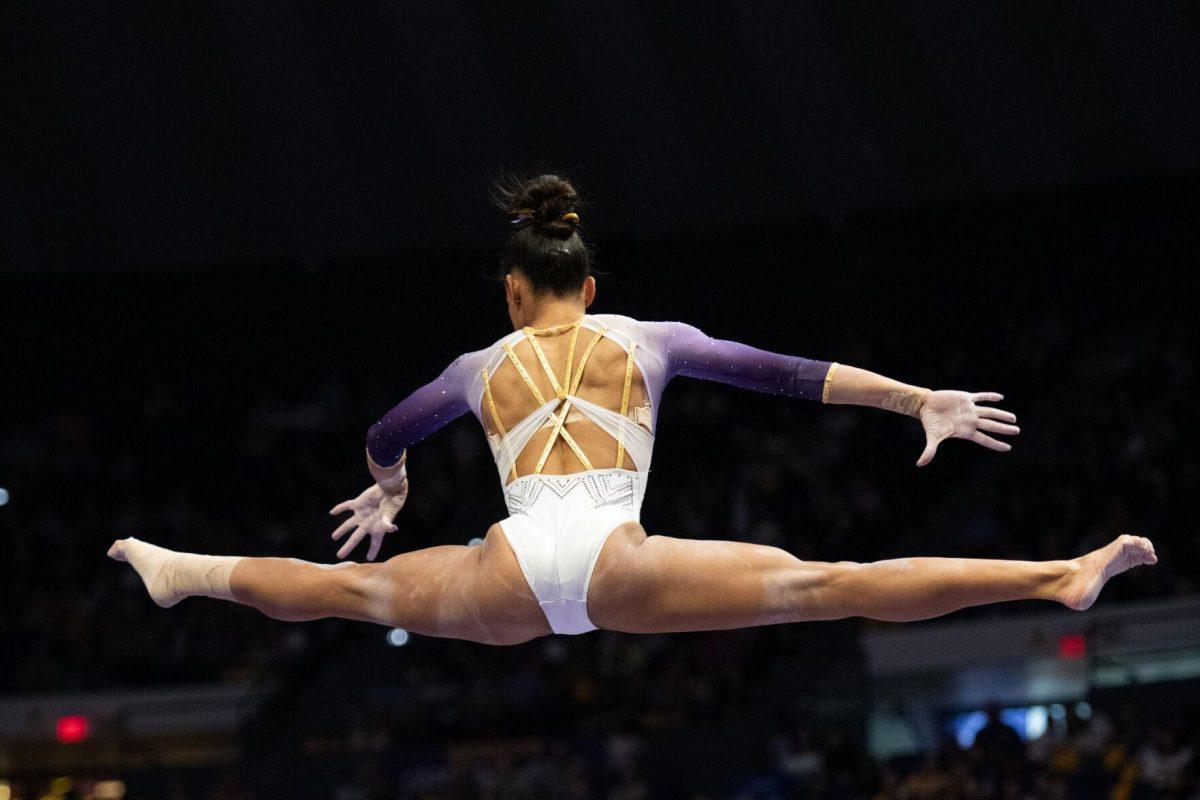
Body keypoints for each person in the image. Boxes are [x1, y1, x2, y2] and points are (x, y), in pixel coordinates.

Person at [109, 174, 1157, 646]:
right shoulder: (652, 341)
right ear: (591, 288)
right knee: (832, 584)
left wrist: (392, 489)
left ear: (513, 292)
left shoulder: (476, 366)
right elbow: (790, 373)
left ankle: (181, 572)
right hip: (621, 557)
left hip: (509, 568)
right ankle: (1055, 574)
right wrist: (917, 397)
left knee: (348, 595)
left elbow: (385, 430)